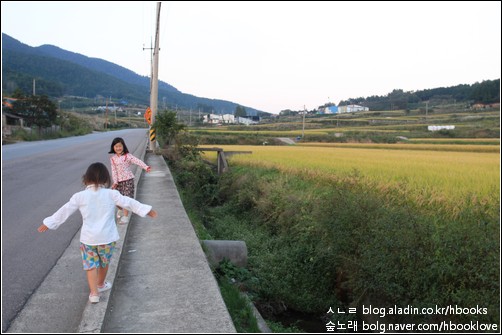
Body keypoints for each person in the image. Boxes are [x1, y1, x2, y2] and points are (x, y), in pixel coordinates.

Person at [37, 162, 157, 304]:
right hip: (107, 237)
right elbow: (128, 202)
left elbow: (65, 210)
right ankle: (101, 284)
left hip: (88, 239)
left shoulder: (79, 196)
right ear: (106, 179)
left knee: (90, 265)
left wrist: (49, 223)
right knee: (104, 262)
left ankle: (94, 293)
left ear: (85, 179)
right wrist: (146, 210)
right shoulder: (112, 194)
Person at [109, 137, 151, 224]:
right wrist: (115, 182)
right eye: (116, 146)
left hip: (128, 180)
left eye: (120, 146)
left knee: (126, 199)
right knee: (116, 199)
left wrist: (145, 167)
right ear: (113, 147)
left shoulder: (128, 156)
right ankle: (120, 210)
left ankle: (125, 217)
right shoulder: (113, 159)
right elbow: (114, 171)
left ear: (123, 146)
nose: (118, 148)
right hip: (118, 182)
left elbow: (137, 161)